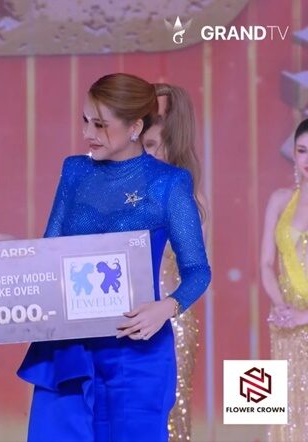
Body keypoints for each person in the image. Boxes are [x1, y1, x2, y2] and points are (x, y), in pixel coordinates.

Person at [18, 73, 211, 441]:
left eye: (100, 125)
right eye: (85, 121)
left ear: (135, 127)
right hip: (68, 347)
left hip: (135, 350)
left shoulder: (169, 183)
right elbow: (49, 249)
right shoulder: (74, 170)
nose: (87, 133)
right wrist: (8, 249)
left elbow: (198, 271)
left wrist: (166, 307)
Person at [141, 83, 205, 441]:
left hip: (171, 320)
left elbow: (196, 271)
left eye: (153, 144)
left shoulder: (187, 197)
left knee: (170, 416)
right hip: (127, 320)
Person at [261, 118, 308, 441]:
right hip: (285, 324)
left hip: (302, 318)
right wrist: (281, 307)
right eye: (302, 150)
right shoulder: (279, 200)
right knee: (287, 412)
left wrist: (304, 316)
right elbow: (265, 264)